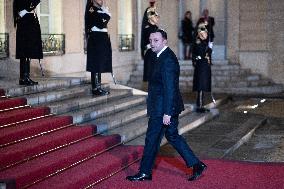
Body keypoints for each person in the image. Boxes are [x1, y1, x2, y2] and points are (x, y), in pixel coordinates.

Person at [126, 29, 207, 182]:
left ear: (164, 41)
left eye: (156, 40)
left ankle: (145, 172)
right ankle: (197, 165)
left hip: (163, 108)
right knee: (172, 136)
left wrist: (167, 113)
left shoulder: (168, 59)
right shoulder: (158, 56)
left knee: (152, 139)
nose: (152, 43)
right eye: (150, 40)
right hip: (164, 106)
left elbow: (170, 87)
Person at [85, 0, 112, 96]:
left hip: (101, 38)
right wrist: (106, 14)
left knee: (99, 63)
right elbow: (101, 23)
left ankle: (98, 86)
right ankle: (95, 88)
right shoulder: (91, 9)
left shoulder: (99, 10)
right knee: (96, 64)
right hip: (96, 38)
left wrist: (105, 14)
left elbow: (104, 20)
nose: (102, 0)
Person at [13, 0, 43, 86]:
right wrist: (26, 10)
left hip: (27, 19)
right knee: (26, 51)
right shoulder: (25, 13)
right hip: (26, 21)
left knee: (27, 52)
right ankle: (24, 77)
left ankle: (25, 77)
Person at [192, 21, 212, 113]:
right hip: (201, 66)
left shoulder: (203, 42)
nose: (206, 34)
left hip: (204, 66)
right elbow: (201, 53)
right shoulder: (199, 42)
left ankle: (202, 104)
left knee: (203, 87)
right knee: (200, 86)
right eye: (205, 32)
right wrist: (209, 49)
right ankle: (199, 105)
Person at [141, 6, 159, 82]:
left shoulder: (155, 27)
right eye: (155, 16)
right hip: (150, 52)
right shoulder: (148, 28)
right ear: (150, 17)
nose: (157, 18)